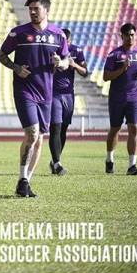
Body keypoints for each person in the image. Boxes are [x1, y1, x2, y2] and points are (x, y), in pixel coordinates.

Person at [0, 0, 69, 198]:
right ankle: (22, 178)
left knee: (39, 139)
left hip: (46, 93)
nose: (32, 12)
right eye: (30, 9)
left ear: (46, 10)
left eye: (36, 8)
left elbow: (66, 61)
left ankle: (26, 182)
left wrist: (60, 63)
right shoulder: (18, 33)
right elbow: (1, 55)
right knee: (32, 134)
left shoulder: (58, 35)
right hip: (24, 90)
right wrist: (16, 67)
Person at [103, 23, 137, 176]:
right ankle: (109, 159)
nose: (130, 37)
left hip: (134, 98)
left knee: (134, 129)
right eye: (128, 35)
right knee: (115, 129)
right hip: (117, 98)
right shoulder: (114, 55)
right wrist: (122, 69)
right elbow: (106, 77)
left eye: (133, 35)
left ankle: (132, 165)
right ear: (122, 36)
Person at [49, 28, 87, 175]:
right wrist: (54, 65)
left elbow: (85, 72)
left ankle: (55, 161)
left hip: (69, 94)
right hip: (54, 93)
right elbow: (46, 72)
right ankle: (58, 163)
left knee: (63, 129)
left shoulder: (76, 50)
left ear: (69, 41)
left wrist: (74, 65)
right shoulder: (52, 51)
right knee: (56, 127)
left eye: (66, 41)